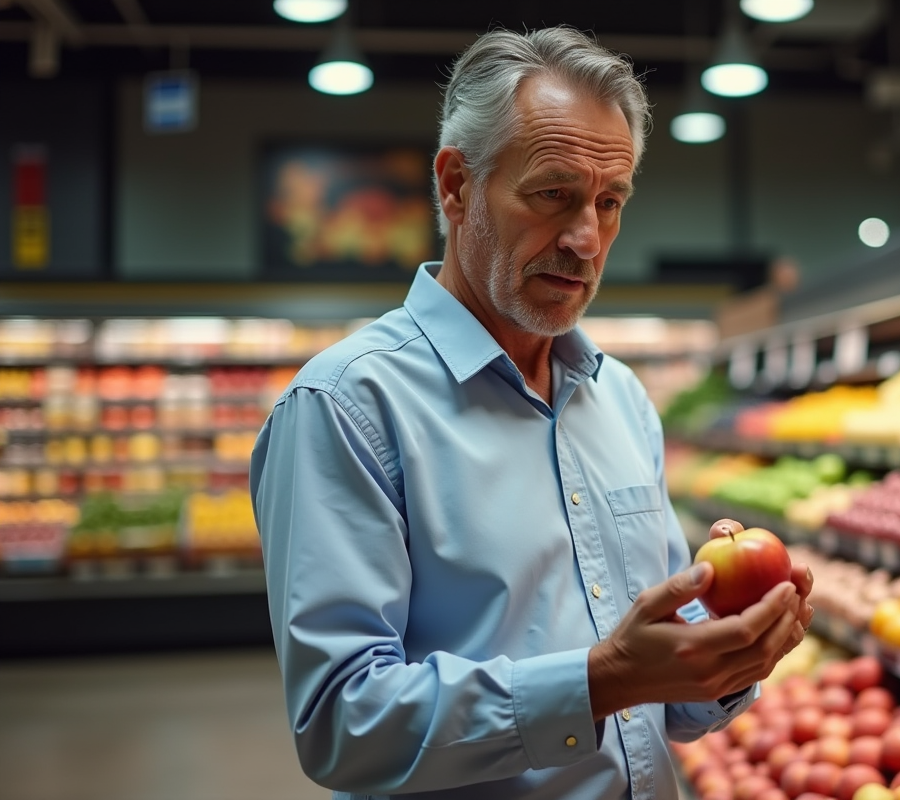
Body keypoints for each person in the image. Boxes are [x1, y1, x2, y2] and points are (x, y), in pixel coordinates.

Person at [250, 26, 815, 800]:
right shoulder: (348, 407)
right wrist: (601, 680)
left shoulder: (621, 400)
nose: (586, 238)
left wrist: (728, 658)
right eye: (553, 194)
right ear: (456, 186)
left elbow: (666, 708)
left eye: (610, 202)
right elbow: (342, 725)